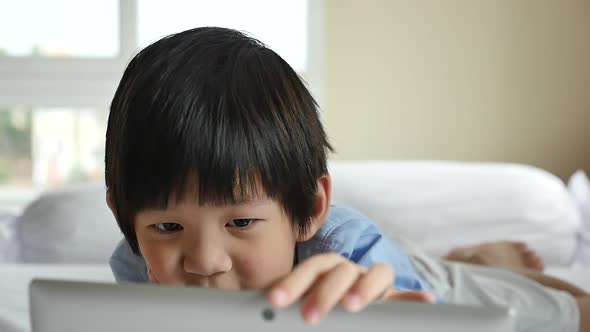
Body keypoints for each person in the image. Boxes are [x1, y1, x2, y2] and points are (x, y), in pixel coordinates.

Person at [104, 27, 588, 331]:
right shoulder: (134, 263)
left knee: (574, 312)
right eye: (168, 228)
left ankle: (483, 261)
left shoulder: (350, 255)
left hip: (387, 267)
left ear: (308, 211)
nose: (205, 263)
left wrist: (392, 313)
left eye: (242, 222)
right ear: (125, 219)